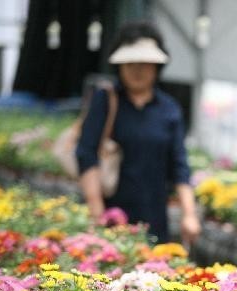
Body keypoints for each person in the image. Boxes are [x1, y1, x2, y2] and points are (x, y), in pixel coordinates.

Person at [76, 21, 200, 245]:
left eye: (145, 63)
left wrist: (189, 215)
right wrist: (97, 211)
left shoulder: (169, 109)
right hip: (108, 219)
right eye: (130, 63)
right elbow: (86, 153)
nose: (137, 69)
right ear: (119, 65)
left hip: (154, 218)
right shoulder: (105, 100)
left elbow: (180, 165)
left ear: (157, 66)